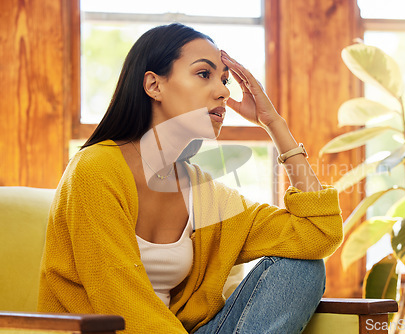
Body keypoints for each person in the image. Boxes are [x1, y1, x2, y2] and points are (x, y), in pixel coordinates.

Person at [38, 23, 343, 333]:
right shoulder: (95, 170)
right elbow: (121, 303)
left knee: (302, 269)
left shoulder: (204, 194)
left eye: (224, 80)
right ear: (154, 86)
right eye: (203, 74)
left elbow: (319, 233)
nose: (224, 91)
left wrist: (274, 124)